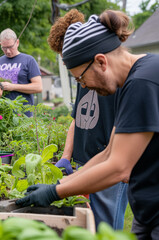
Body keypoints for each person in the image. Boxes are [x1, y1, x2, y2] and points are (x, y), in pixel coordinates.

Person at [16, 9, 159, 239]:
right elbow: (108, 153)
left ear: (101, 61)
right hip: (148, 212)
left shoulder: (143, 82)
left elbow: (119, 167)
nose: (84, 87)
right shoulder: (131, 81)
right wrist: (64, 181)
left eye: (81, 79)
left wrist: (55, 192)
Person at [49, 10, 128, 230]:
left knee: (107, 227)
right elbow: (77, 117)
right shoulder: (84, 75)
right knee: (90, 222)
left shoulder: (116, 80)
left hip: (107, 163)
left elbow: (120, 146)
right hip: (87, 160)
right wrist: (66, 156)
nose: (81, 82)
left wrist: (55, 190)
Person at [0, 28, 42, 117]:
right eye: (4, 48)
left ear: (17, 42)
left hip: (22, 116)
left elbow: (38, 87)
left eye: (10, 47)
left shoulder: (28, 60)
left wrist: (13, 87)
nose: (8, 51)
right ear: (0, 44)